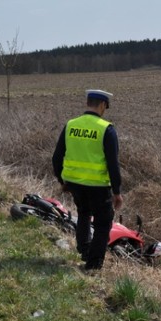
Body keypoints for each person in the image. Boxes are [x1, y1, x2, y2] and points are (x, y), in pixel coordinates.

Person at [52, 89, 123, 271]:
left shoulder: (70, 125)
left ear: (87, 103)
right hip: (98, 186)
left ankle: (84, 250)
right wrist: (117, 192)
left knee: (83, 213)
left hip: (74, 183)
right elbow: (113, 164)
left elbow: (57, 157)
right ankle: (93, 264)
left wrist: (62, 180)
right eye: (105, 107)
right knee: (103, 222)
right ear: (101, 105)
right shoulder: (106, 129)